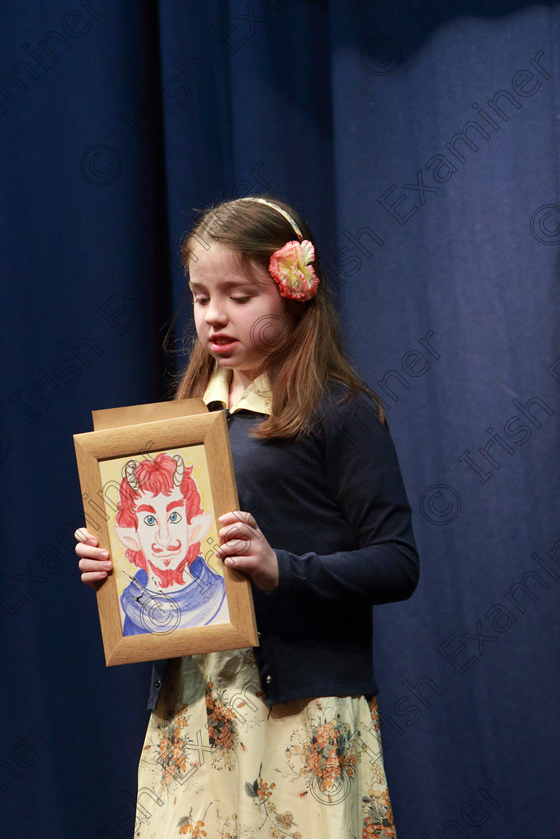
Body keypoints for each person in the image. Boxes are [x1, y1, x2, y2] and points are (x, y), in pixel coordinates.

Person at [75, 195, 419, 838]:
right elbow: (172, 563)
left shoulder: (337, 413)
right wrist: (117, 565)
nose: (215, 316)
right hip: (194, 710)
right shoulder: (180, 423)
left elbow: (398, 562)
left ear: (294, 292)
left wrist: (280, 569)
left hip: (297, 713)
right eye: (202, 297)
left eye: (239, 295)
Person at [113, 452, 227, 636]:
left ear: (194, 527)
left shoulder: (225, 598)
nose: (164, 538)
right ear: (132, 537)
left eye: (174, 517)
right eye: (149, 520)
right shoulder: (125, 610)